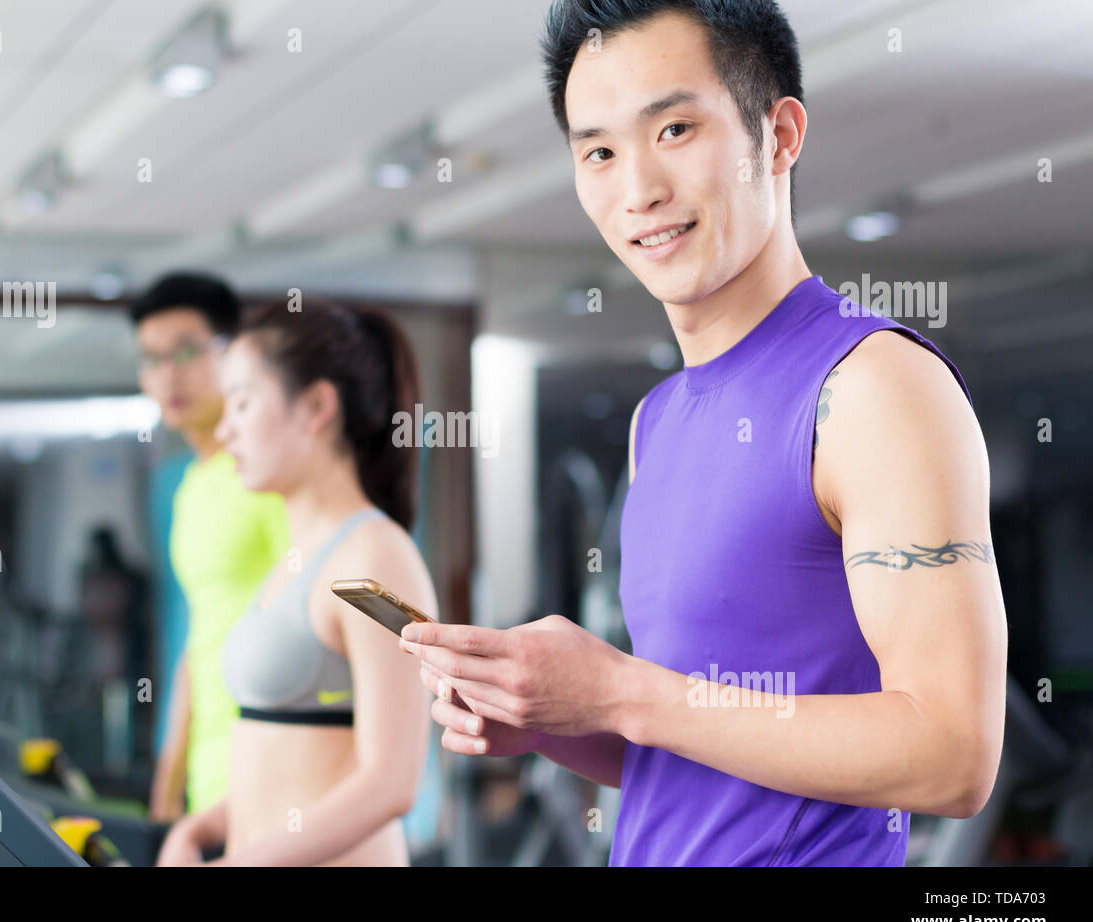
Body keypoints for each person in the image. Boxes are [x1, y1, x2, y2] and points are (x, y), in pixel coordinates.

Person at [404, 0, 1007, 866]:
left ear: (781, 133)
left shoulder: (874, 386)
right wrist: (555, 721)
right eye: (599, 152)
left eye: (676, 129)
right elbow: (694, 755)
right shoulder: (660, 420)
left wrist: (622, 691)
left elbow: (953, 755)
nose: (638, 189)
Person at [155, 298, 437, 866]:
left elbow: (392, 780)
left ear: (315, 406)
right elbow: (291, 759)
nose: (225, 427)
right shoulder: (293, 559)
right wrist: (200, 829)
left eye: (241, 402)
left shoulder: (376, 558)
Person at [132, 273, 290, 823]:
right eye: (151, 359)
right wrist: (168, 781)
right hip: (211, 784)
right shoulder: (192, 488)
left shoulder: (268, 471)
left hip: (282, 783)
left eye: (186, 351)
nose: (168, 374)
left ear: (234, 354)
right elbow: (200, 640)